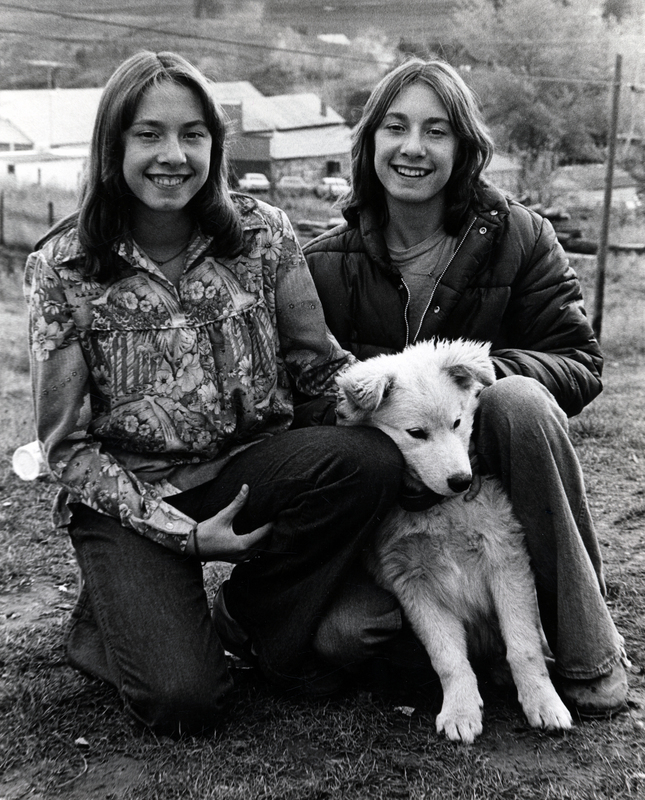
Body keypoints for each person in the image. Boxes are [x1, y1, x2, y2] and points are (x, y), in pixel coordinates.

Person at [23, 50, 405, 736]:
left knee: (367, 461)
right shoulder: (63, 269)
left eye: (192, 134)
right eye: (148, 134)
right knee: (182, 702)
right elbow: (67, 449)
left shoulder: (263, 236)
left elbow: (318, 371)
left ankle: (261, 631)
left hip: (250, 469)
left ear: (214, 145)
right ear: (113, 146)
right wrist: (186, 536)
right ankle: (108, 624)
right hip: (132, 494)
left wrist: (406, 408)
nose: (173, 155)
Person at [303, 58, 628, 717]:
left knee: (518, 400)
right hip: (389, 508)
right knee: (342, 636)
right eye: (394, 127)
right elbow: (303, 394)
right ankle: (460, 662)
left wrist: (478, 388)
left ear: (465, 146)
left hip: (495, 484)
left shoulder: (520, 235)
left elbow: (576, 359)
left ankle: (587, 650)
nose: (412, 148)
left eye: (436, 130)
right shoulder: (324, 262)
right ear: (370, 142)